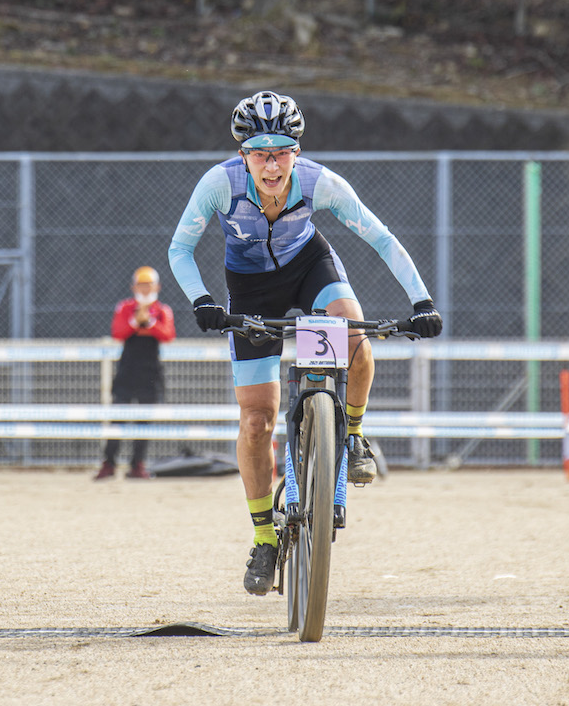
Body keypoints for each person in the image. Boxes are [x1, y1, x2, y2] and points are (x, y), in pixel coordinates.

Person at [167, 90, 442, 595]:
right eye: (259, 152)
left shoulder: (321, 183)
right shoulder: (218, 185)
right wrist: (202, 299)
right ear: (243, 153)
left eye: (281, 151)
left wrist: (422, 300)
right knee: (256, 420)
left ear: (296, 152)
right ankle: (264, 538)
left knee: (355, 337)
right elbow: (180, 249)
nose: (271, 164)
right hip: (251, 289)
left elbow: (380, 237)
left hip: (309, 267)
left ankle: (353, 434)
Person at [94, 266, 176, 481]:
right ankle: (109, 463)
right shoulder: (125, 307)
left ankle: (137, 465)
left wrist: (148, 322)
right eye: (141, 284)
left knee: (144, 420)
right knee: (117, 416)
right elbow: (118, 332)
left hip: (150, 371)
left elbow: (167, 334)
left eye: (148, 284)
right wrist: (136, 322)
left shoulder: (162, 310)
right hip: (127, 369)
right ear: (133, 286)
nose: (145, 288)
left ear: (157, 286)